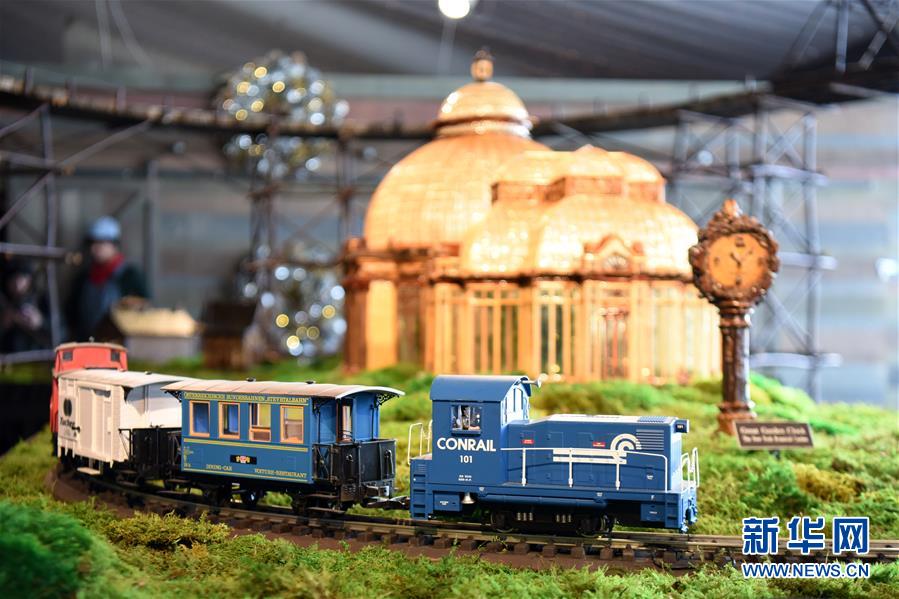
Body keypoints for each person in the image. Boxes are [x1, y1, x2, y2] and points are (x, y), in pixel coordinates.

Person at [66, 216, 148, 340]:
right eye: (93, 243)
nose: (95, 248)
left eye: (101, 243)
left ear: (114, 245)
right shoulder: (84, 278)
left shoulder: (129, 276)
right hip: (86, 342)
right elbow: (71, 314)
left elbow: (145, 308)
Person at [0, 259, 48, 352]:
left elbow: (61, 335)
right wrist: (3, 324)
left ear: (29, 280)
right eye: (13, 279)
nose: (17, 285)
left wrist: (40, 322)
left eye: (21, 279)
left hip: (36, 355)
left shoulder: (41, 299)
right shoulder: (3, 301)